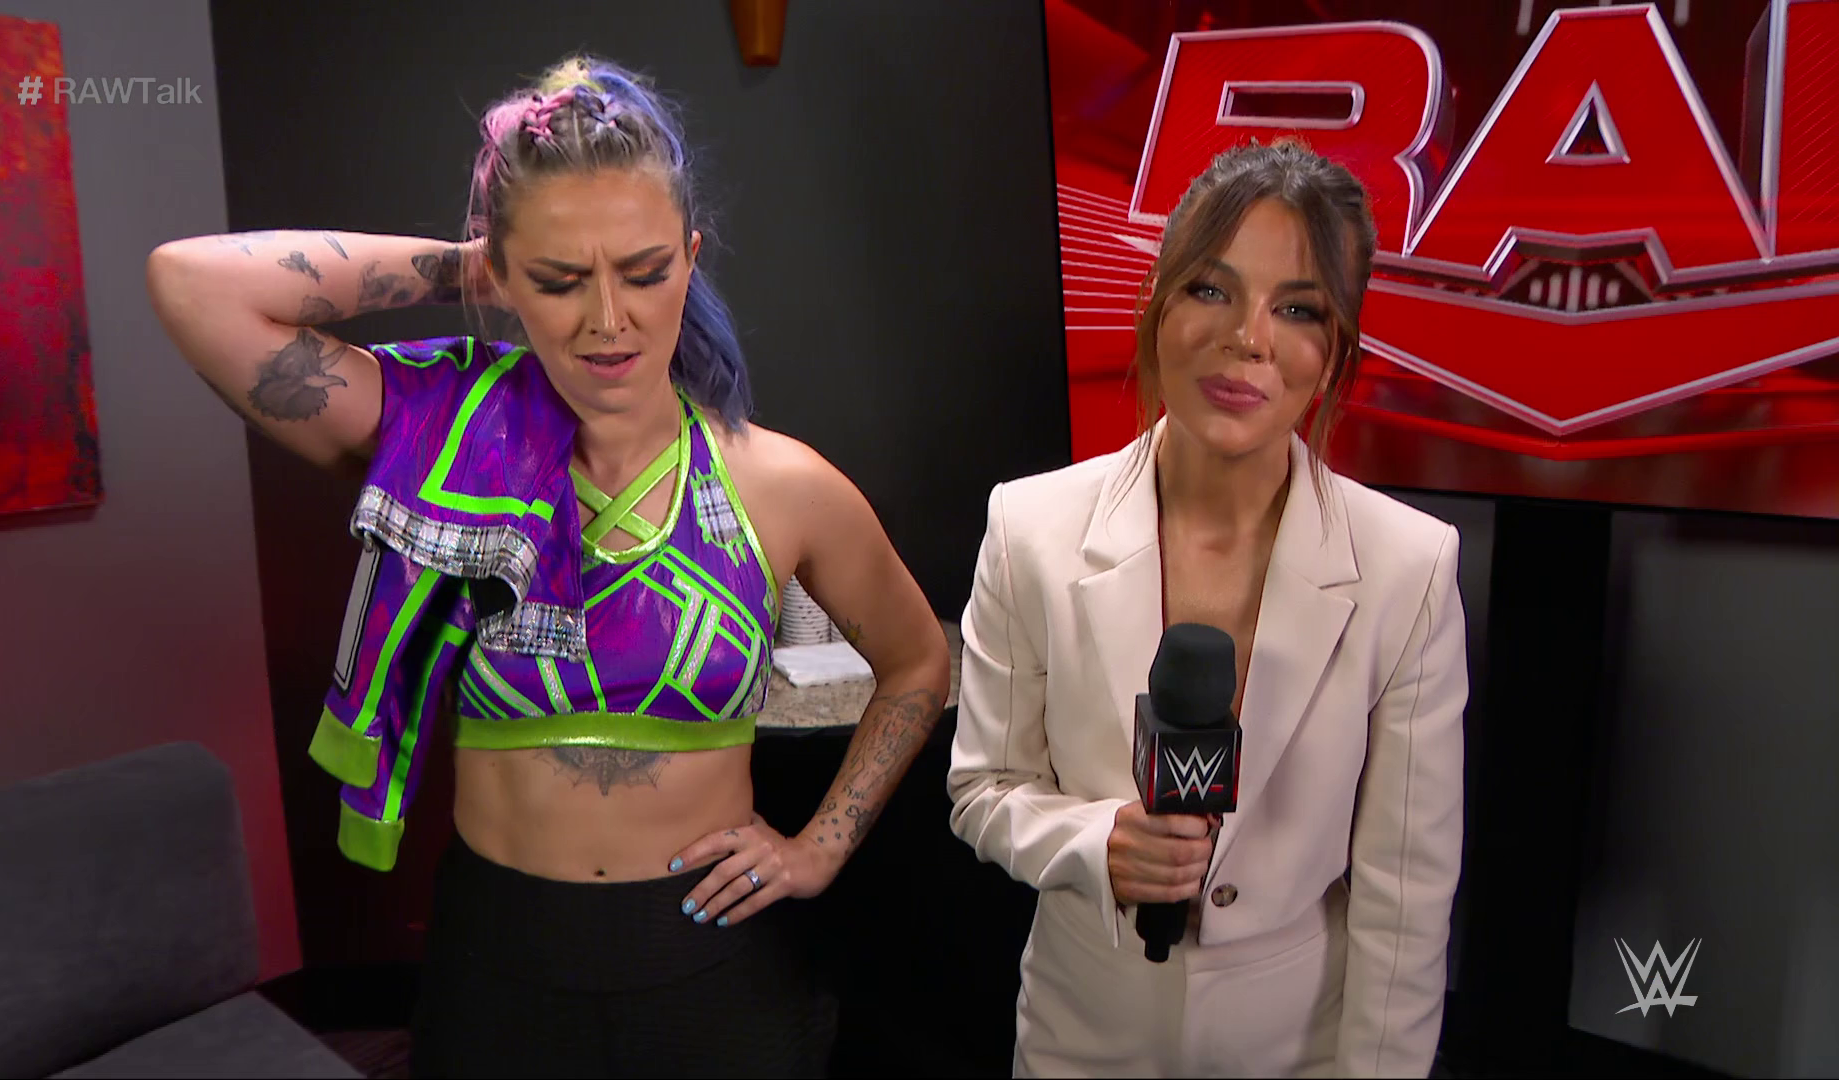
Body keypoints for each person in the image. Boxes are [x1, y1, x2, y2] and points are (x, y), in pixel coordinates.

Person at [147, 55, 952, 1078]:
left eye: (645, 272)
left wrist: (820, 846)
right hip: (500, 964)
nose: (607, 320)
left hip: (711, 961)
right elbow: (192, 285)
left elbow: (918, 663)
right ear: (506, 276)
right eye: (559, 280)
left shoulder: (783, 485)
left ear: (691, 260)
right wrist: (464, 265)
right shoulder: (435, 439)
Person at [947, 137, 1468, 1078]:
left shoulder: (1408, 568)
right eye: (1211, 290)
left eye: (1297, 308)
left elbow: (1406, 898)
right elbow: (985, 790)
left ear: (1335, 352)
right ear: (1154, 304)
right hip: (1080, 1042)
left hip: (1299, 1053)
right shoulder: (1030, 527)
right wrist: (1099, 841)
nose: (1248, 339)